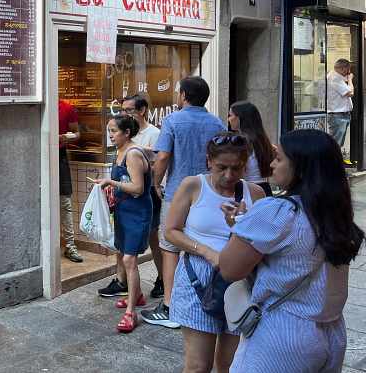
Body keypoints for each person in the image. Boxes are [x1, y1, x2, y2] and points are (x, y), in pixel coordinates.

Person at [220, 129, 364, 373]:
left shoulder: (277, 211)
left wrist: (238, 227)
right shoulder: (335, 212)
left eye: (279, 158)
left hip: (281, 334)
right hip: (332, 332)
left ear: (300, 167)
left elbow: (229, 268)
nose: (272, 163)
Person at [164, 133, 265, 373]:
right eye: (222, 167)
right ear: (209, 161)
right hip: (197, 279)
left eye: (236, 168)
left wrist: (240, 226)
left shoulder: (256, 194)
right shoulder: (193, 185)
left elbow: (264, 242)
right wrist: (208, 252)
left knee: (230, 365)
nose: (229, 176)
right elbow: (170, 231)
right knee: (198, 366)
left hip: (240, 283)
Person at [141, 76, 227, 329]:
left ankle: (169, 306)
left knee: (170, 246)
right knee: (202, 243)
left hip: (178, 193)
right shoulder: (217, 122)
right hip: (208, 195)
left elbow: (164, 155)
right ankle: (205, 297)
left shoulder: (172, 120)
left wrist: (156, 182)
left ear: (184, 96)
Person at [90, 115, 152, 332]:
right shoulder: (120, 151)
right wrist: (110, 189)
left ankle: (131, 313)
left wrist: (111, 182)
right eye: (109, 131)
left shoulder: (133, 154)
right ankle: (137, 296)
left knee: (129, 259)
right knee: (125, 253)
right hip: (123, 211)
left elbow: (138, 188)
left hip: (137, 213)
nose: (110, 135)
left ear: (127, 133)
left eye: (114, 131)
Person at [100, 94, 164, 299]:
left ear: (142, 110)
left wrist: (156, 186)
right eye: (122, 109)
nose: (124, 113)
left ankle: (162, 278)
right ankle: (123, 282)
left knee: (152, 239)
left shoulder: (153, 134)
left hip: (148, 193)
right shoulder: (121, 136)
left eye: (129, 110)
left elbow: (158, 162)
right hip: (124, 199)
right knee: (123, 244)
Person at [228, 101, 275, 196]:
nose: (228, 119)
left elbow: (239, 172)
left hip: (248, 190)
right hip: (265, 188)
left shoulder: (241, 141)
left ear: (240, 117)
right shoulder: (263, 140)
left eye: (230, 115)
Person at [58, 99, 83, 263]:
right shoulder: (33, 105)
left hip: (59, 157)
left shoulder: (66, 107)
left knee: (65, 203)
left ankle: (70, 246)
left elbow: (77, 133)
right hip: (37, 156)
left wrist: (66, 137)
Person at [326, 59, 354, 157]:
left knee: (337, 143)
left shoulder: (335, 77)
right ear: (342, 68)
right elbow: (350, 93)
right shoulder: (335, 78)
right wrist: (350, 80)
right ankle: (333, 167)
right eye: (348, 69)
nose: (349, 72)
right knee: (335, 144)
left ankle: (334, 164)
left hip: (340, 115)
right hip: (338, 116)